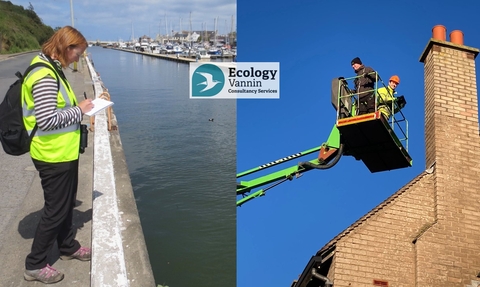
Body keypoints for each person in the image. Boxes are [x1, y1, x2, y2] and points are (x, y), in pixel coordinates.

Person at [22, 26, 94, 284]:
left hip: (64, 151)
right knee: (55, 210)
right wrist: (81, 110)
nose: (79, 58)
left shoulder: (51, 68)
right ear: (67, 47)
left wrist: (77, 110)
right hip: (52, 155)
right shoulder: (44, 75)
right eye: (79, 53)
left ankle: (67, 246)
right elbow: (46, 120)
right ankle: (35, 264)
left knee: (64, 205)